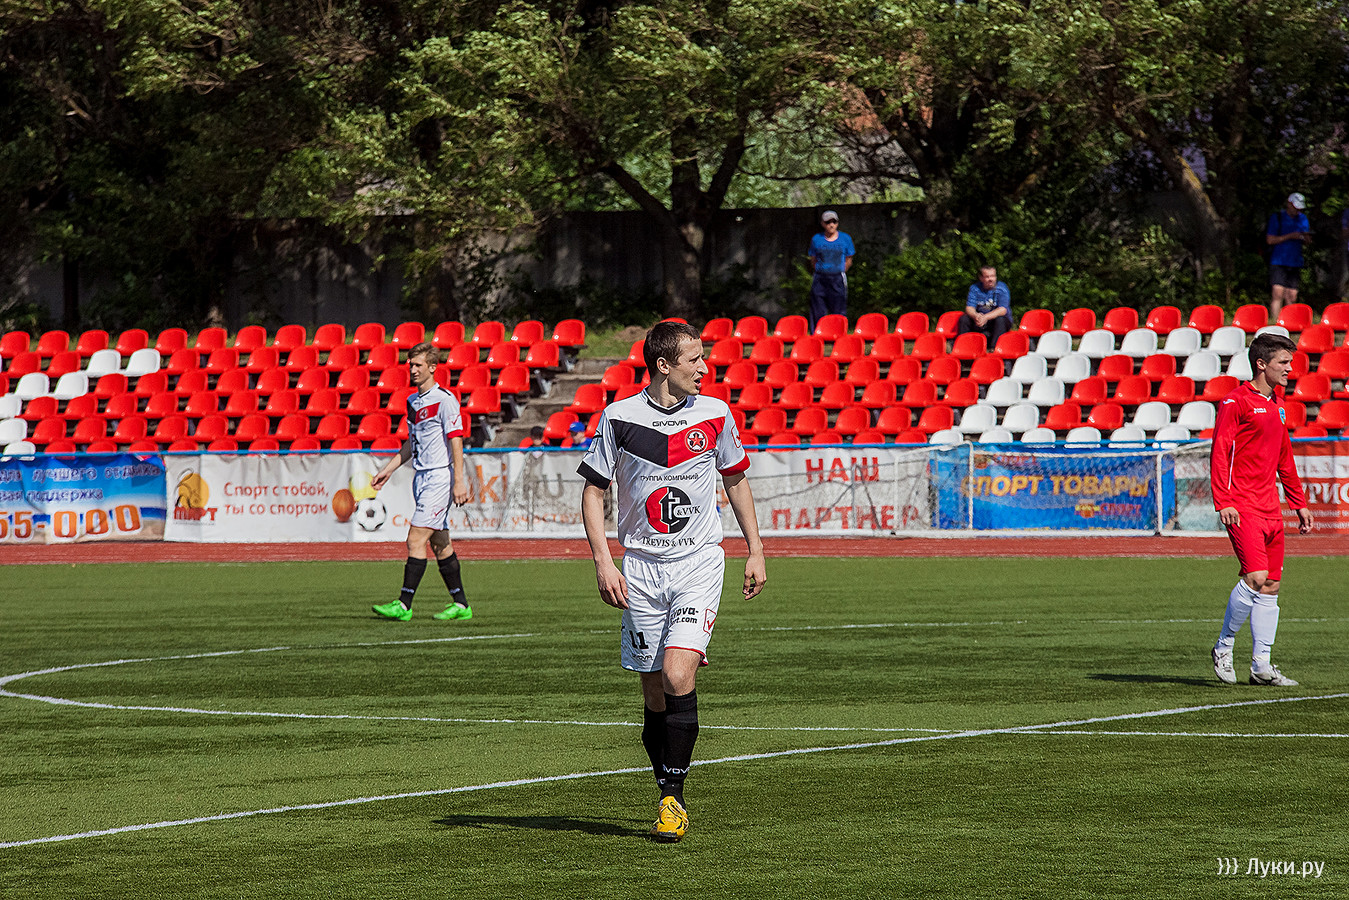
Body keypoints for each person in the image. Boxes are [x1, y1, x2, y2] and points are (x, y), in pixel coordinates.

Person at [578, 320, 766, 843]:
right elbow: (593, 492)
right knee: (653, 689)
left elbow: (735, 479)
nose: (704, 368)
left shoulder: (715, 413)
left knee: (678, 673)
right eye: (694, 359)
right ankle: (665, 785)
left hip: (698, 563)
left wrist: (755, 549)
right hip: (639, 568)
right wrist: (603, 561)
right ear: (663, 365)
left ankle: (673, 798)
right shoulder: (619, 417)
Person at [1209, 332, 1313, 686]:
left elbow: (1284, 457)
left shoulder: (1278, 405)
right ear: (1261, 364)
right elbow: (1220, 451)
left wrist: (1298, 503)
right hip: (1242, 505)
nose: (1289, 369)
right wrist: (1224, 500)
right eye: (1283, 362)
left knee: (1270, 585)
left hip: (1270, 507)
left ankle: (1261, 666)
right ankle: (1223, 646)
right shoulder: (1235, 402)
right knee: (1254, 577)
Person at [371, 342, 473, 622]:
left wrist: (459, 481)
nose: (413, 370)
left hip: (439, 477)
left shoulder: (445, 400)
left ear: (432, 367)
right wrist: (389, 469)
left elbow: (456, 439)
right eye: (411, 365)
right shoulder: (413, 402)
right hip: (421, 477)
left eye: (418, 365)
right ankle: (461, 605)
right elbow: (411, 442)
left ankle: (404, 604)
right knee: (440, 544)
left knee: (415, 539)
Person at [807, 210, 855, 333]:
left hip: (837, 278)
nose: (831, 225)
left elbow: (849, 259)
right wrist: (821, 269)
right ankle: (817, 334)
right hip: (820, 278)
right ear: (823, 224)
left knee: (838, 308)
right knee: (818, 308)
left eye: (834, 222)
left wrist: (840, 270)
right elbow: (813, 259)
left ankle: (838, 334)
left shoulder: (845, 238)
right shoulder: (817, 239)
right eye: (828, 222)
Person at [1266, 192, 1311, 319]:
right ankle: (1275, 321)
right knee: (1278, 293)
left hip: (1295, 261)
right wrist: (1290, 236)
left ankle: (1290, 321)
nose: (1298, 210)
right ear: (1289, 204)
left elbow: (1308, 240)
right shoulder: (1278, 218)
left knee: (1292, 295)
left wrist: (1305, 238)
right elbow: (1270, 240)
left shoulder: (1303, 219)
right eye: (1295, 207)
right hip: (1279, 260)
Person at [957, 265, 1013, 345]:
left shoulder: (1002, 289)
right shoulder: (975, 288)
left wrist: (986, 317)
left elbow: (1002, 310)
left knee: (1000, 320)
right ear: (981, 278)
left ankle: (994, 348)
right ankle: (963, 345)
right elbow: (969, 307)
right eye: (987, 277)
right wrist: (975, 315)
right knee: (964, 318)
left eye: (993, 276)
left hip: (996, 320)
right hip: (979, 319)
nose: (990, 279)